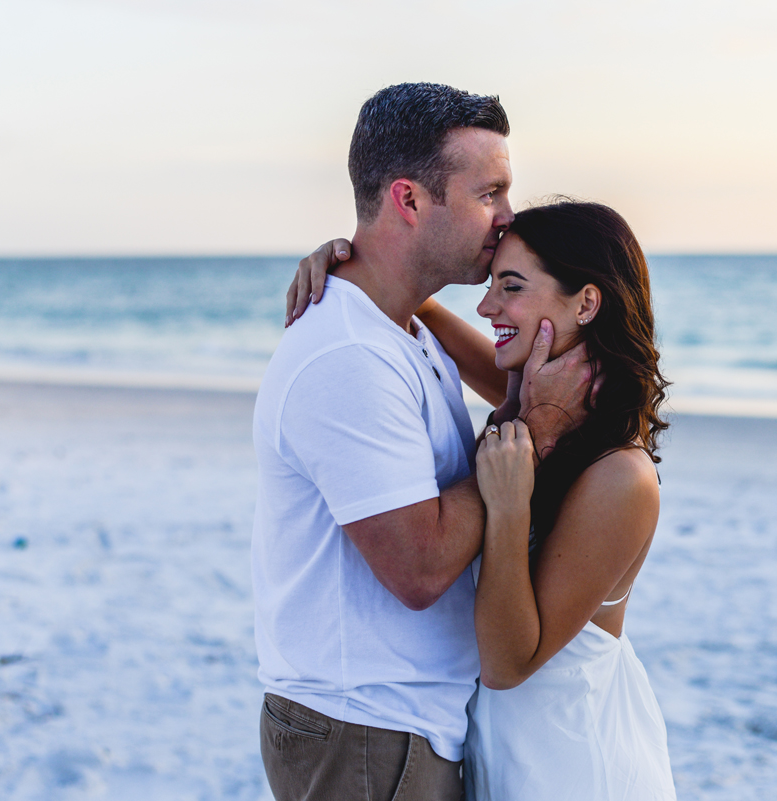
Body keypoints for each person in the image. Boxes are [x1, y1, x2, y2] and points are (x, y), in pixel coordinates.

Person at [252, 83, 592, 801]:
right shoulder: (347, 353)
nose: (507, 218)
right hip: (366, 730)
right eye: (489, 193)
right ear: (409, 200)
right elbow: (421, 567)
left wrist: (401, 283)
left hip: (400, 725)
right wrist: (532, 430)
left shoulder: (406, 328)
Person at [290, 200, 677, 800]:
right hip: (506, 764)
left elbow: (506, 663)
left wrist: (511, 504)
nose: (488, 304)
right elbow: (439, 323)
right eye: (493, 283)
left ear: (587, 302)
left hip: (575, 769)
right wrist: (358, 268)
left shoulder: (619, 477)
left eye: (512, 287)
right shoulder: (541, 412)